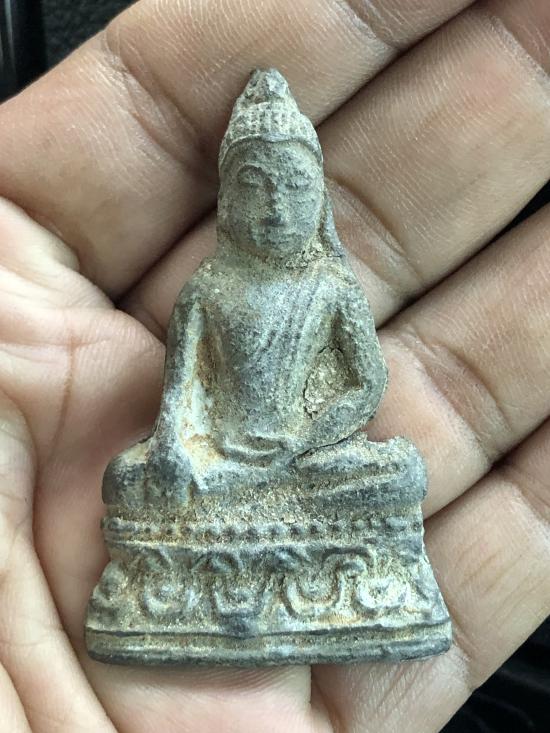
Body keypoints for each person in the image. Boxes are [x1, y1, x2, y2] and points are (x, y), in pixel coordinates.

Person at [0, 0, 549, 731]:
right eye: (254, 187)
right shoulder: (206, 289)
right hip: (220, 458)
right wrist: (179, 450)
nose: (275, 207)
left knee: (397, 474)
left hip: (307, 456)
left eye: (292, 187)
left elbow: (364, 385)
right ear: (228, 200)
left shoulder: (331, 286)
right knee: (128, 479)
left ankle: (264, 577)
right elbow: (182, 398)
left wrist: (307, 438)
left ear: (316, 195)